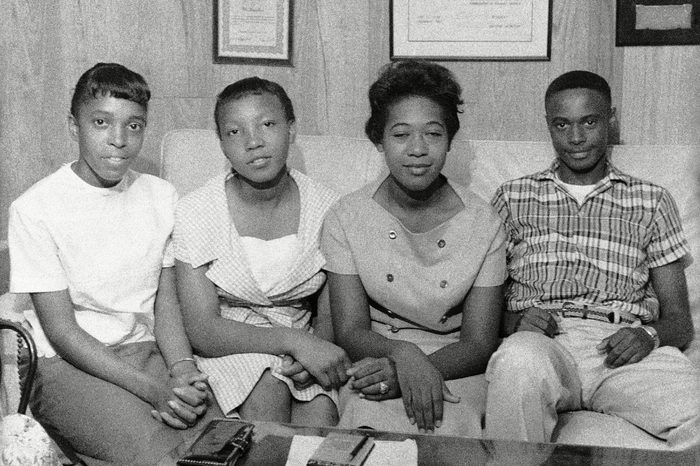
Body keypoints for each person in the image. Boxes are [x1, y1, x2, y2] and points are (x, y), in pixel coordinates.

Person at [8, 63, 213, 465]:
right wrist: (154, 391)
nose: (118, 140)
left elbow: (165, 304)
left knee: (222, 445)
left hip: (145, 351)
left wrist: (182, 368)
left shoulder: (161, 195)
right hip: (67, 366)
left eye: (134, 126)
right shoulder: (35, 208)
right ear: (74, 125)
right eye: (101, 122)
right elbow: (63, 332)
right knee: (164, 457)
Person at [485, 70, 700, 448]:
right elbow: (482, 303)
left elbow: (680, 321)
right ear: (549, 126)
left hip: (624, 347)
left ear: (610, 121)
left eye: (589, 121)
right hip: (543, 343)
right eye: (561, 124)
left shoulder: (651, 200)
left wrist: (647, 335)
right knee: (518, 362)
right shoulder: (512, 197)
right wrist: (514, 319)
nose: (576, 138)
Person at [321, 60, 506, 435]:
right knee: (365, 436)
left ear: (450, 140)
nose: (418, 149)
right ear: (379, 140)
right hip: (376, 358)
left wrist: (419, 368)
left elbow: (479, 341)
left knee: (450, 433)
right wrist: (401, 356)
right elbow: (351, 329)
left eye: (433, 134)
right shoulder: (346, 217)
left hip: (457, 365)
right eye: (401, 134)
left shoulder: (483, 222)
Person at [174, 77, 351, 426]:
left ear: (292, 129)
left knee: (320, 418)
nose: (253, 142)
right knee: (266, 394)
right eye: (235, 133)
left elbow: (330, 317)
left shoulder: (329, 209)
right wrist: (294, 343)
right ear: (222, 145)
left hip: (306, 350)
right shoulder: (195, 210)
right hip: (229, 346)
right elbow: (203, 329)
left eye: (267, 124)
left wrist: (312, 353)